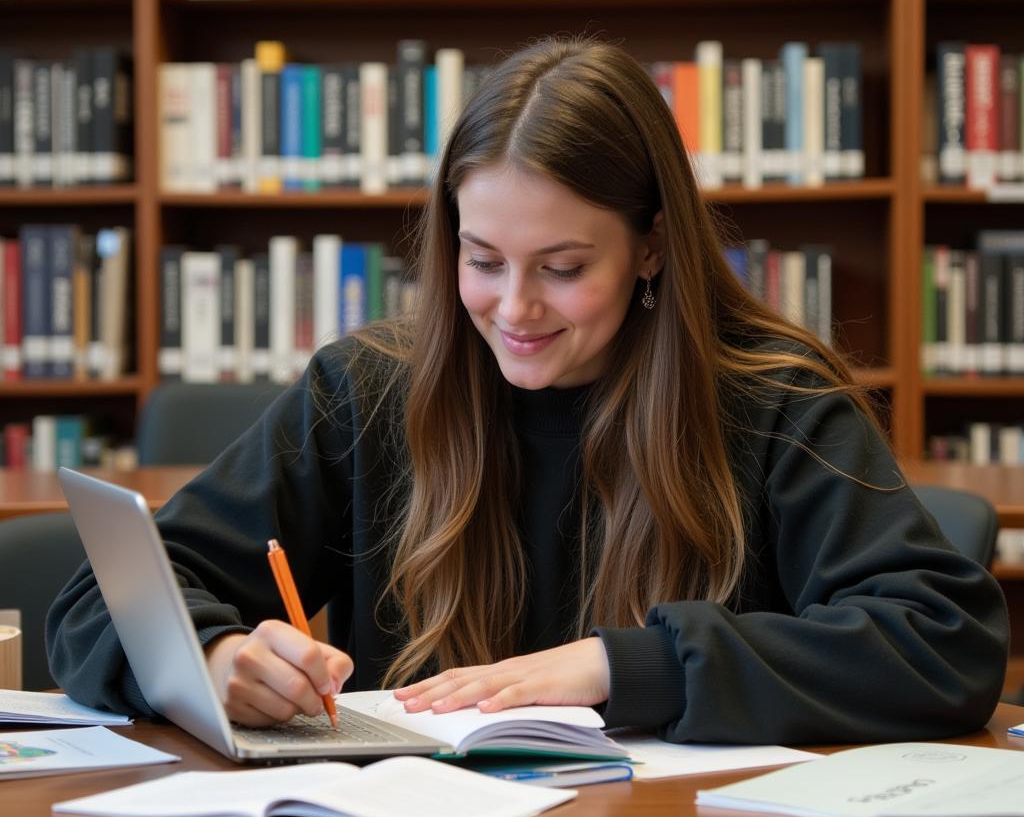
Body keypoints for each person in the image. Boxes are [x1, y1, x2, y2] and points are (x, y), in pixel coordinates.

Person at [47, 37, 1008, 744]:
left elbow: (944, 641)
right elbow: (104, 598)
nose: (513, 309)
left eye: (561, 266)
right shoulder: (367, 390)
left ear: (654, 249)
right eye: (482, 260)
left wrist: (621, 665)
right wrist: (217, 658)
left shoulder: (775, 399)